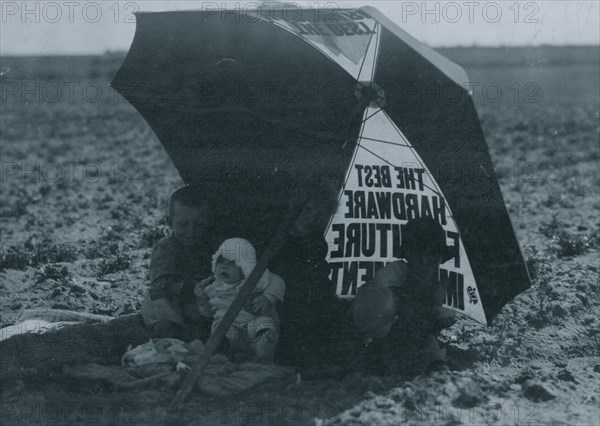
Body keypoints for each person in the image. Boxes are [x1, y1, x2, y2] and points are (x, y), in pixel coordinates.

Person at [351, 216, 455, 376]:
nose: (425, 259)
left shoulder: (437, 287)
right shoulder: (394, 273)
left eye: (432, 253)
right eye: (418, 252)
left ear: (441, 256)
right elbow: (373, 313)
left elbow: (428, 330)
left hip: (412, 344)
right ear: (407, 253)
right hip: (378, 341)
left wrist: (435, 321)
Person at [269, 183, 339, 368]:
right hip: (281, 317)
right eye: (306, 209)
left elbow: (320, 279)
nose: (312, 217)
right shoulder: (274, 241)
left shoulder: (316, 242)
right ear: (291, 205)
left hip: (311, 317)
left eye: (319, 211)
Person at [140, 185, 214, 342]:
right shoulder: (166, 247)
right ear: (169, 222)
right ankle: (169, 339)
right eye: (183, 224)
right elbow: (159, 282)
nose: (191, 231)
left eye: (199, 225)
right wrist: (191, 286)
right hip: (173, 304)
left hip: (201, 306)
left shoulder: (213, 246)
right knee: (156, 301)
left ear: (209, 222)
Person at [195, 238, 285, 363]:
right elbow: (207, 313)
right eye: (221, 261)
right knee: (217, 335)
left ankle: (263, 358)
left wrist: (267, 298)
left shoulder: (254, 279)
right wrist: (202, 300)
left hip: (252, 326)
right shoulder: (212, 287)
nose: (225, 266)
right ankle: (222, 357)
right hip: (227, 330)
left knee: (266, 324)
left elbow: (277, 282)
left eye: (233, 262)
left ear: (245, 266)